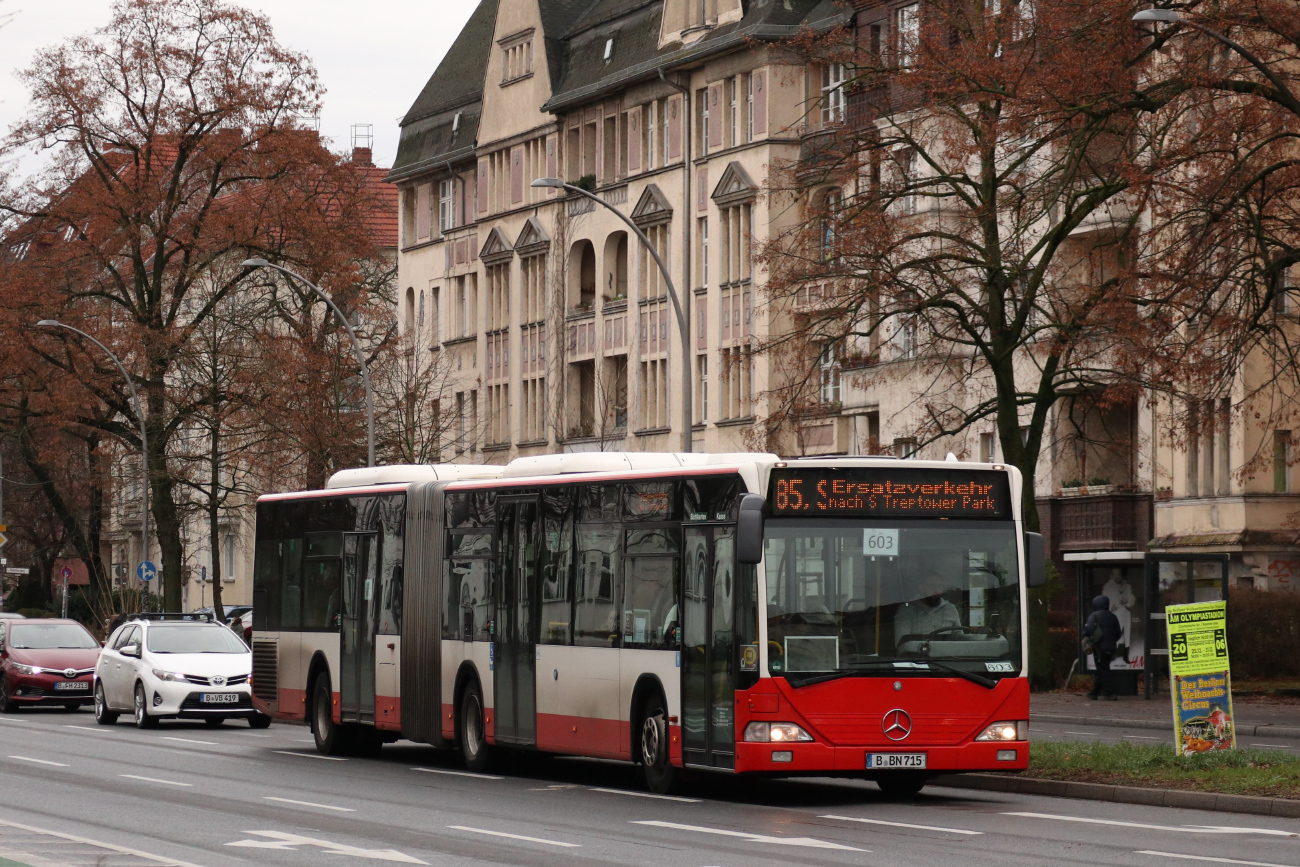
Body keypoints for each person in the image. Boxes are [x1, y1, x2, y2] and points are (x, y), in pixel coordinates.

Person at [894, 573, 962, 645]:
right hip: (918, 655)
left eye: (939, 586)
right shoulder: (907, 610)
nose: (937, 590)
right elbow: (901, 642)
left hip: (948, 654)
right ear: (922, 588)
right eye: (932, 586)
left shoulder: (950, 609)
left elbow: (960, 638)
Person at [1083, 594, 1122, 700]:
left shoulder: (1094, 615)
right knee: (1103, 668)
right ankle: (1094, 692)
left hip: (1100, 647)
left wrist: (1086, 635)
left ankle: (1110, 693)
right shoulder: (1113, 616)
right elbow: (1118, 633)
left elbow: (1088, 630)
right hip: (1111, 647)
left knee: (1103, 670)